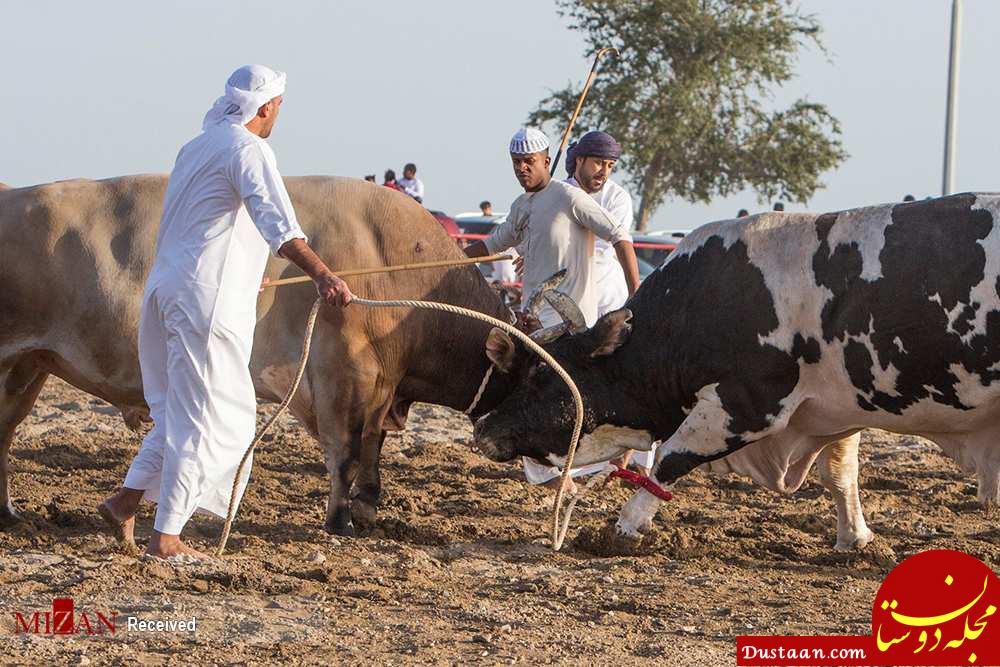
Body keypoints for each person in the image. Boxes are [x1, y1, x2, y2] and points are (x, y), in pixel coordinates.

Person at [97, 65, 353, 560]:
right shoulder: (249, 149)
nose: (280, 114)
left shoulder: (197, 145)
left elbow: (210, 225)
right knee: (221, 421)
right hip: (205, 301)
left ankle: (126, 500)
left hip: (167, 290)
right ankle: (166, 537)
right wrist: (324, 274)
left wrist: (244, 266)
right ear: (265, 108)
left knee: (179, 411)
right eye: (279, 106)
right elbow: (280, 225)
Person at [464, 128, 641, 493]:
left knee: (550, 405)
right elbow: (494, 243)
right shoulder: (522, 206)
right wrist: (446, 260)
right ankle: (563, 478)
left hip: (572, 329)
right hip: (536, 326)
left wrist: (638, 292)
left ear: (547, 160)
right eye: (516, 163)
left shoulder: (570, 197)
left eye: (529, 162)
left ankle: (589, 470)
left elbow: (619, 236)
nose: (522, 169)